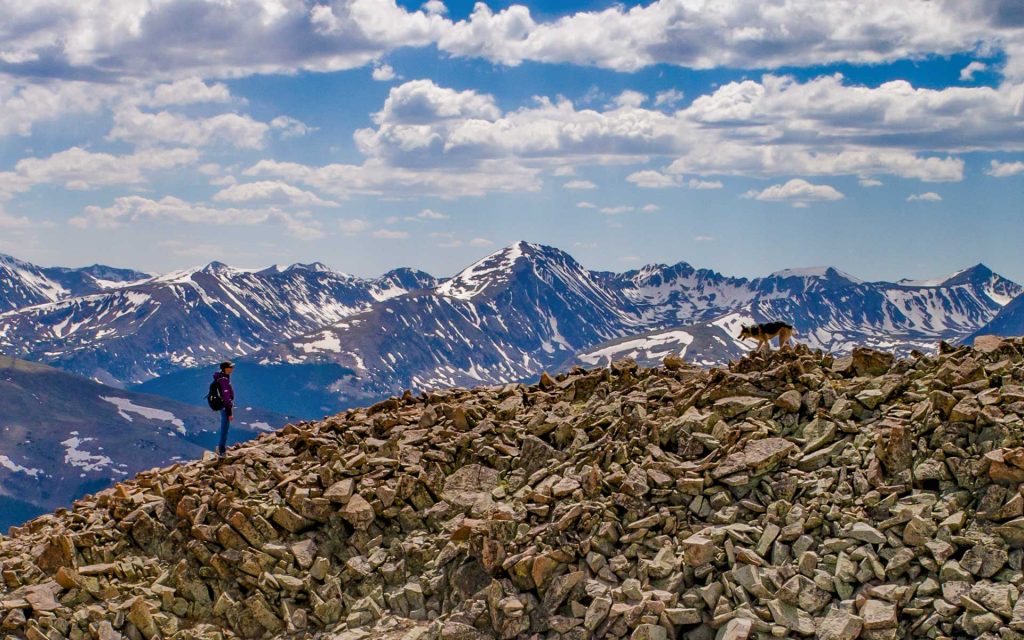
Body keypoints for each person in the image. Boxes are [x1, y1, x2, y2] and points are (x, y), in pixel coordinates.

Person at [213, 361, 235, 456]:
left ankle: (222, 448)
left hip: (223, 406)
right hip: (225, 407)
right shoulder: (224, 380)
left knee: (225, 427)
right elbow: (226, 398)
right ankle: (222, 450)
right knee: (224, 428)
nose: (233, 369)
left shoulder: (222, 377)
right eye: (231, 367)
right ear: (226, 368)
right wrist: (230, 413)